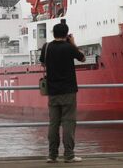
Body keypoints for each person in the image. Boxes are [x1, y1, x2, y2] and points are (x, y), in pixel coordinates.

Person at [39, 21, 86, 163]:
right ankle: (69, 155)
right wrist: (73, 43)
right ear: (66, 34)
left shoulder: (46, 47)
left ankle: (52, 155)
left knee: (53, 123)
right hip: (69, 91)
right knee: (68, 123)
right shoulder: (69, 47)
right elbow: (83, 58)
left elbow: (43, 63)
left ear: (53, 33)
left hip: (53, 91)